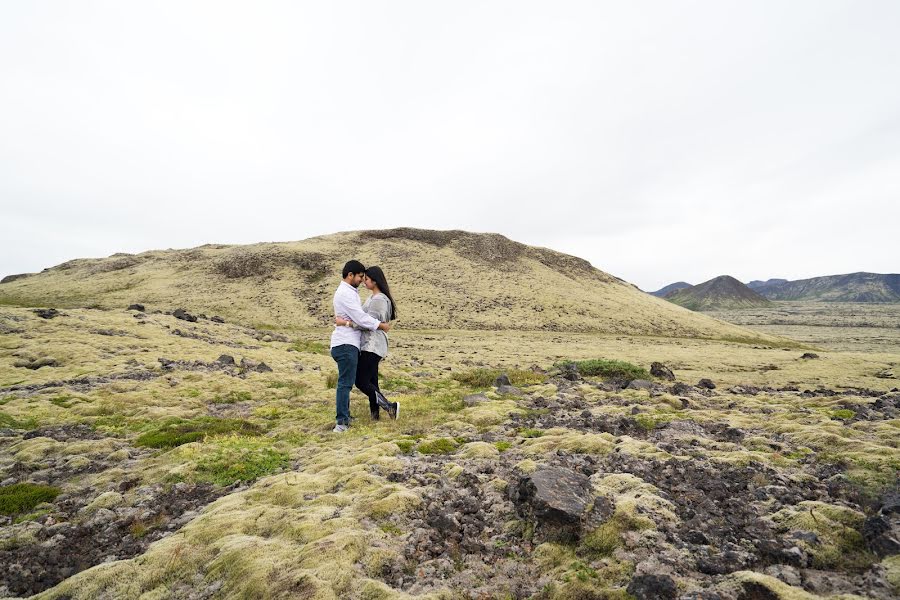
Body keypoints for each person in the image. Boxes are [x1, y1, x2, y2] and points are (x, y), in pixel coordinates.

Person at [330, 260, 391, 433]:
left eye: (365, 278)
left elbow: (359, 317)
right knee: (347, 383)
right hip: (346, 343)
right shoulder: (346, 294)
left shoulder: (351, 292)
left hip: (352, 343)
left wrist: (346, 322)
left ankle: (351, 416)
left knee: (357, 381)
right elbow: (361, 318)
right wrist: (381, 325)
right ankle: (341, 423)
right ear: (350, 275)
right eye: (360, 277)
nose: (362, 280)